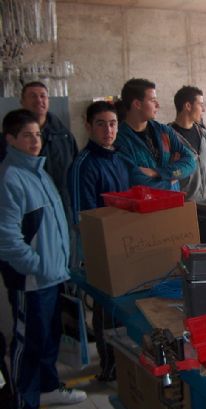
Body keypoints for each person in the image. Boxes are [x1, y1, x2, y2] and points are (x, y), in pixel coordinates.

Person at [0, 109, 86, 409]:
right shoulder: (11, 177)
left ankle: (48, 388)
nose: (35, 140)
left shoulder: (38, 170)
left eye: (37, 134)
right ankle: (23, 403)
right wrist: (38, 266)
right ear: (10, 139)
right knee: (29, 343)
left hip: (52, 275)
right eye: (27, 135)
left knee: (49, 339)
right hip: (32, 280)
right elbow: (7, 239)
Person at [68, 101, 130, 382]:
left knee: (122, 314)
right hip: (100, 253)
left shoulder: (118, 158)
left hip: (123, 247)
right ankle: (110, 368)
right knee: (105, 312)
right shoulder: (84, 165)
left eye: (113, 124)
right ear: (88, 126)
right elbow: (85, 220)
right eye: (101, 124)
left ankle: (124, 363)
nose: (108, 130)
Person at [115, 78, 196, 190]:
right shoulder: (119, 139)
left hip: (173, 204)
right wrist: (169, 183)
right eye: (153, 100)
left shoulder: (164, 131)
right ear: (137, 104)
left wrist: (158, 173)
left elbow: (190, 162)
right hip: (145, 205)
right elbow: (134, 180)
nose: (157, 105)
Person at [18, 81, 79, 219]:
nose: (39, 100)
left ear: (48, 100)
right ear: (22, 102)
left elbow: (75, 172)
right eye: (33, 96)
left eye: (42, 96)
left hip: (63, 207)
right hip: (29, 210)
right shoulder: (14, 138)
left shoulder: (64, 135)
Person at [169, 86, 206, 201]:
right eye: (200, 104)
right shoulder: (168, 137)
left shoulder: (204, 136)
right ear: (188, 106)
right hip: (185, 209)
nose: (203, 110)